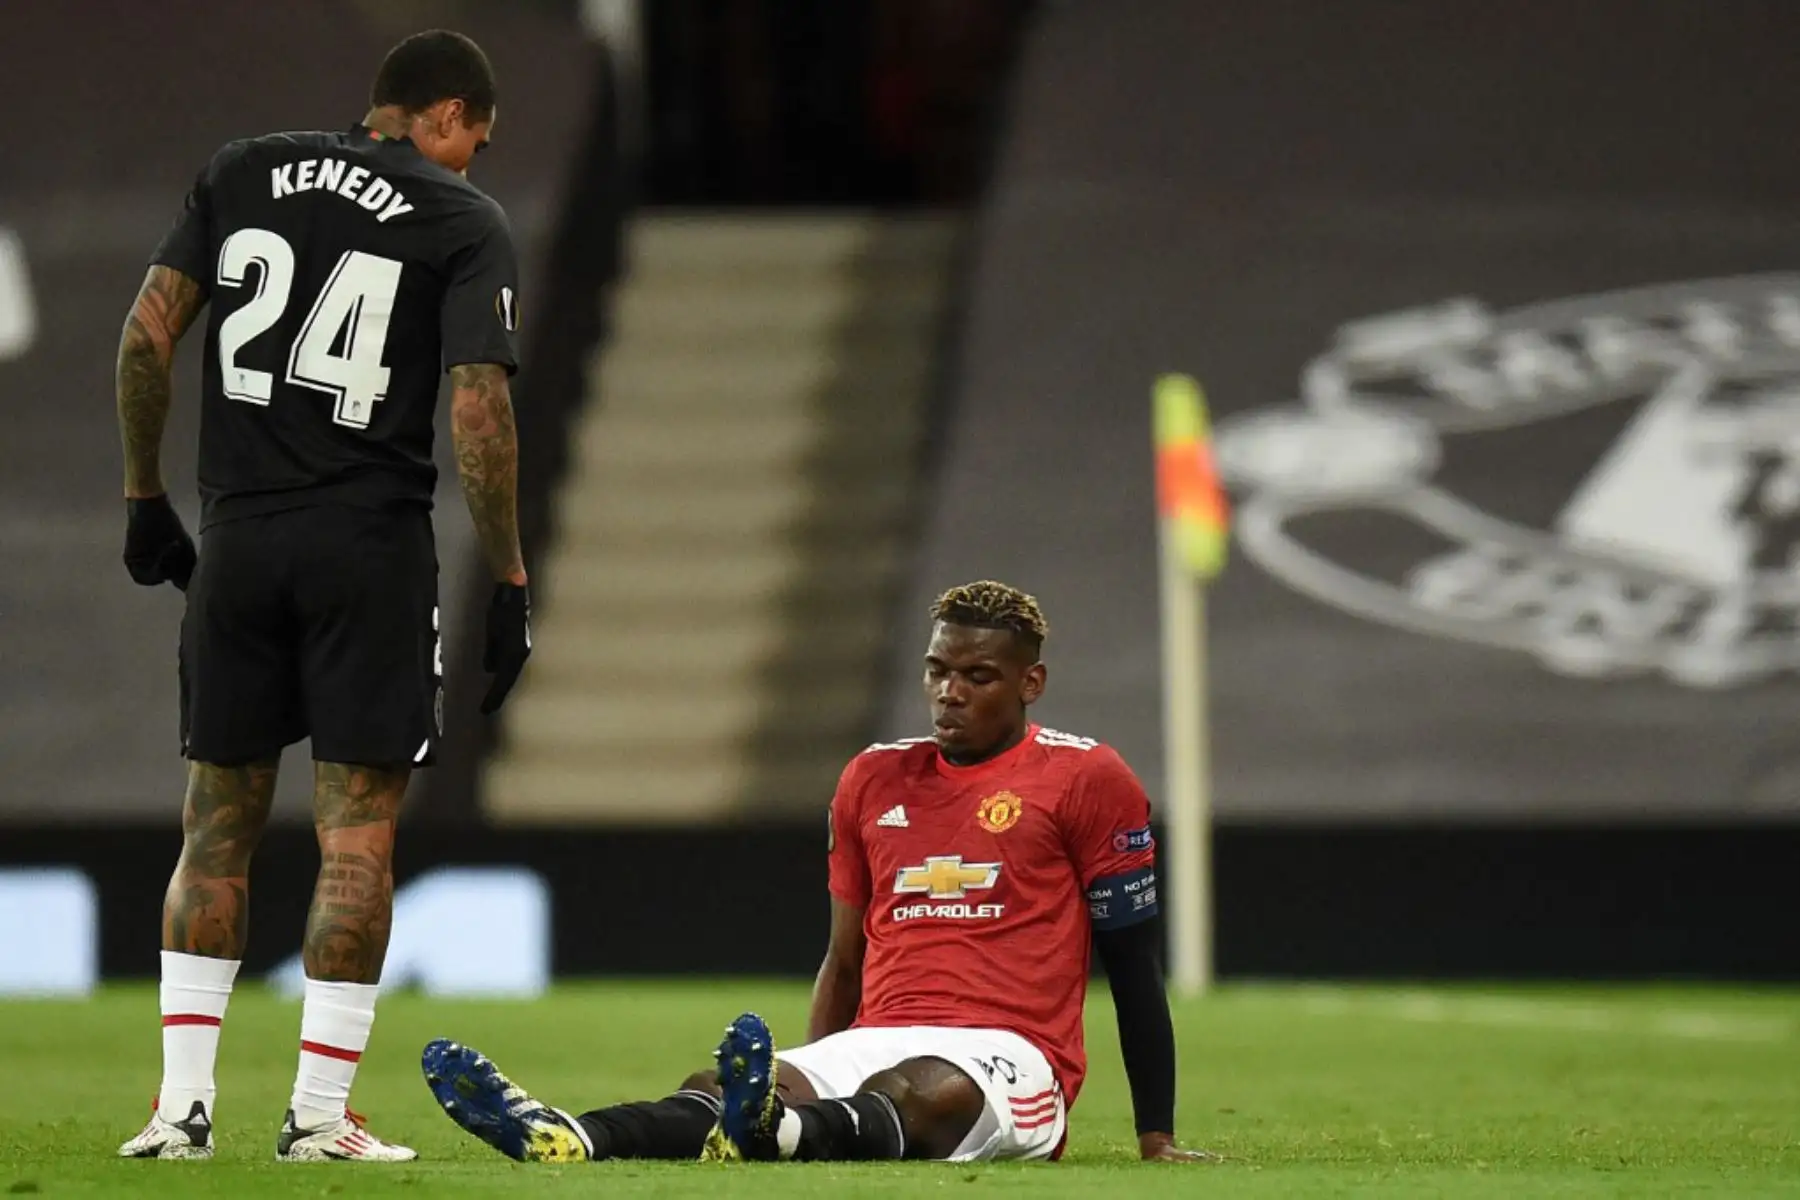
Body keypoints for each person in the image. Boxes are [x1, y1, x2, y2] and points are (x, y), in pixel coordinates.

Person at [115, 29, 533, 1163]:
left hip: (238, 539)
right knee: (356, 840)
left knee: (214, 830)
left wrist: (147, 496)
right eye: (476, 142)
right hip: (368, 548)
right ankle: (314, 1119)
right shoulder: (459, 218)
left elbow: (147, 336)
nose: (474, 164)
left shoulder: (241, 168)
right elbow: (478, 412)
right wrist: (506, 574)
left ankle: (180, 1113)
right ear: (446, 114)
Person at [420, 581, 1211, 1166]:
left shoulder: (1088, 779)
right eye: (938, 670)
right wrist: (805, 1071)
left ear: (1029, 684)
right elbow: (845, 955)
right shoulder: (874, 779)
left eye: (978, 677)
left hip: (1012, 1054)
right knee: (712, 1088)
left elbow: (1133, 966)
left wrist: (1157, 1136)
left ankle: (778, 1132)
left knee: (928, 1090)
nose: (948, 692)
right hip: (880, 1031)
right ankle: (571, 1135)